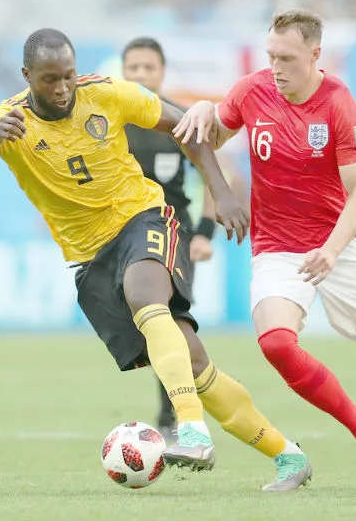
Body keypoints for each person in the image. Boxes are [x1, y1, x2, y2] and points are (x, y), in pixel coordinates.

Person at [0, 28, 311, 491]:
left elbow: (189, 131)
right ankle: (288, 457)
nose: (62, 89)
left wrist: (222, 192)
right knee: (194, 364)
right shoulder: (8, 121)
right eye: (49, 79)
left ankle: (191, 430)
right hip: (91, 258)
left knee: (145, 298)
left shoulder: (108, 94)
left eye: (68, 76)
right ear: (26, 76)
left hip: (142, 217)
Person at [174, 10, 356, 489]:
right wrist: (206, 112)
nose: (276, 67)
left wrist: (330, 250)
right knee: (276, 343)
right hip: (277, 247)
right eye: (270, 56)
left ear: (314, 55)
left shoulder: (339, 105)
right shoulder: (251, 90)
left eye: (286, 58)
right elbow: (213, 139)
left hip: (341, 245)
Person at [121, 36, 218, 441]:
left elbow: (212, 174)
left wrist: (206, 231)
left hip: (176, 234)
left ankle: (173, 418)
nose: (141, 75)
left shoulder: (177, 120)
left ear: (161, 73)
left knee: (171, 324)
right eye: (134, 68)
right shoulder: (111, 121)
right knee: (145, 330)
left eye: (149, 68)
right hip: (124, 237)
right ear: (123, 72)